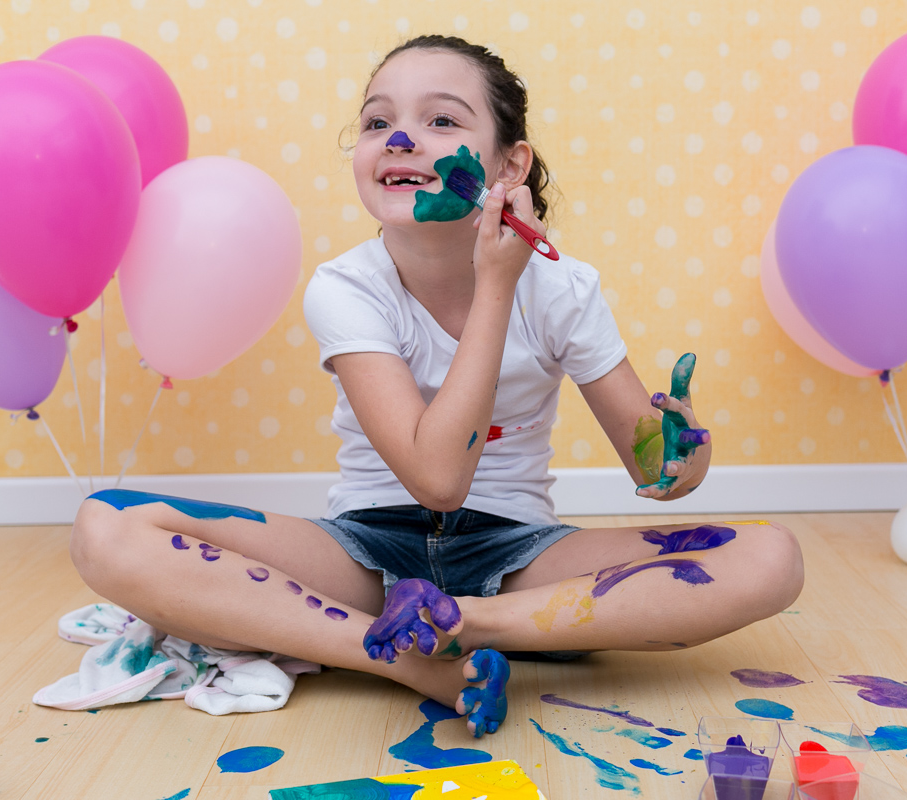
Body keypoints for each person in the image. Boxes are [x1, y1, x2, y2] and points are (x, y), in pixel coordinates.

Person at [69, 35, 804, 738]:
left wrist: (683, 453)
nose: (399, 138)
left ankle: (468, 625)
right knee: (107, 527)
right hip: (363, 552)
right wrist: (496, 289)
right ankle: (403, 659)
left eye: (441, 120)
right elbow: (437, 481)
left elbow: (656, 471)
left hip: (518, 558)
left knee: (771, 558)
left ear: (509, 165)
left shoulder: (563, 289)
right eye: (377, 121)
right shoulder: (346, 288)